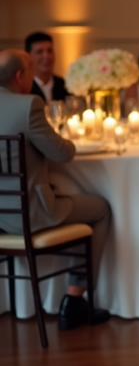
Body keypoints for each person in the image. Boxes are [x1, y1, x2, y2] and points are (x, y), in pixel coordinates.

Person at [0, 49, 112, 330]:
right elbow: (62, 153)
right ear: (20, 75)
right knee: (101, 209)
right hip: (28, 214)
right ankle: (74, 300)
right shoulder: (28, 105)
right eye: (30, 68)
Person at [25, 32, 69, 103]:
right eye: (39, 52)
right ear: (28, 56)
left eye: (49, 51)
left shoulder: (65, 85)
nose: (46, 56)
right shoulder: (25, 89)